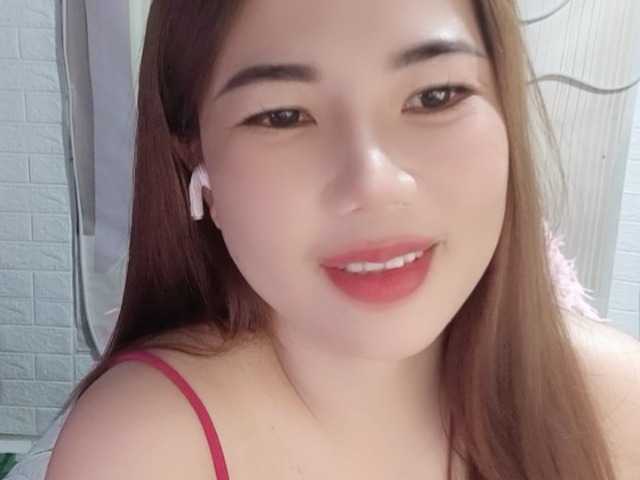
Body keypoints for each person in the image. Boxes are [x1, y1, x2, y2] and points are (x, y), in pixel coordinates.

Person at [43, 1, 640, 479]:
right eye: (282, 115)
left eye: (435, 96)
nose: (375, 185)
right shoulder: (140, 450)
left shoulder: (616, 405)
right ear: (196, 163)